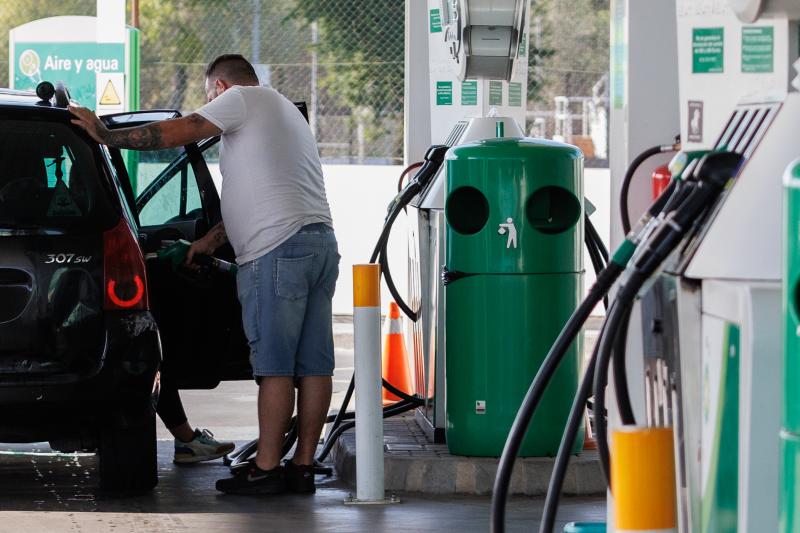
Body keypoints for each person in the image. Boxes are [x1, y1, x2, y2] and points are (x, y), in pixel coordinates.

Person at [69, 53, 339, 496]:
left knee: (274, 367)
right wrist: (206, 244)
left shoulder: (241, 99)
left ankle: (267, 468)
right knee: (313, 366)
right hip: (319, 244)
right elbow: (264, 194)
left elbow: (184, 129)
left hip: (276, 253)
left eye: (207, 95)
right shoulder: (284, 111)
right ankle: (302, 466)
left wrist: (105, 134)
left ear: (217, 86)